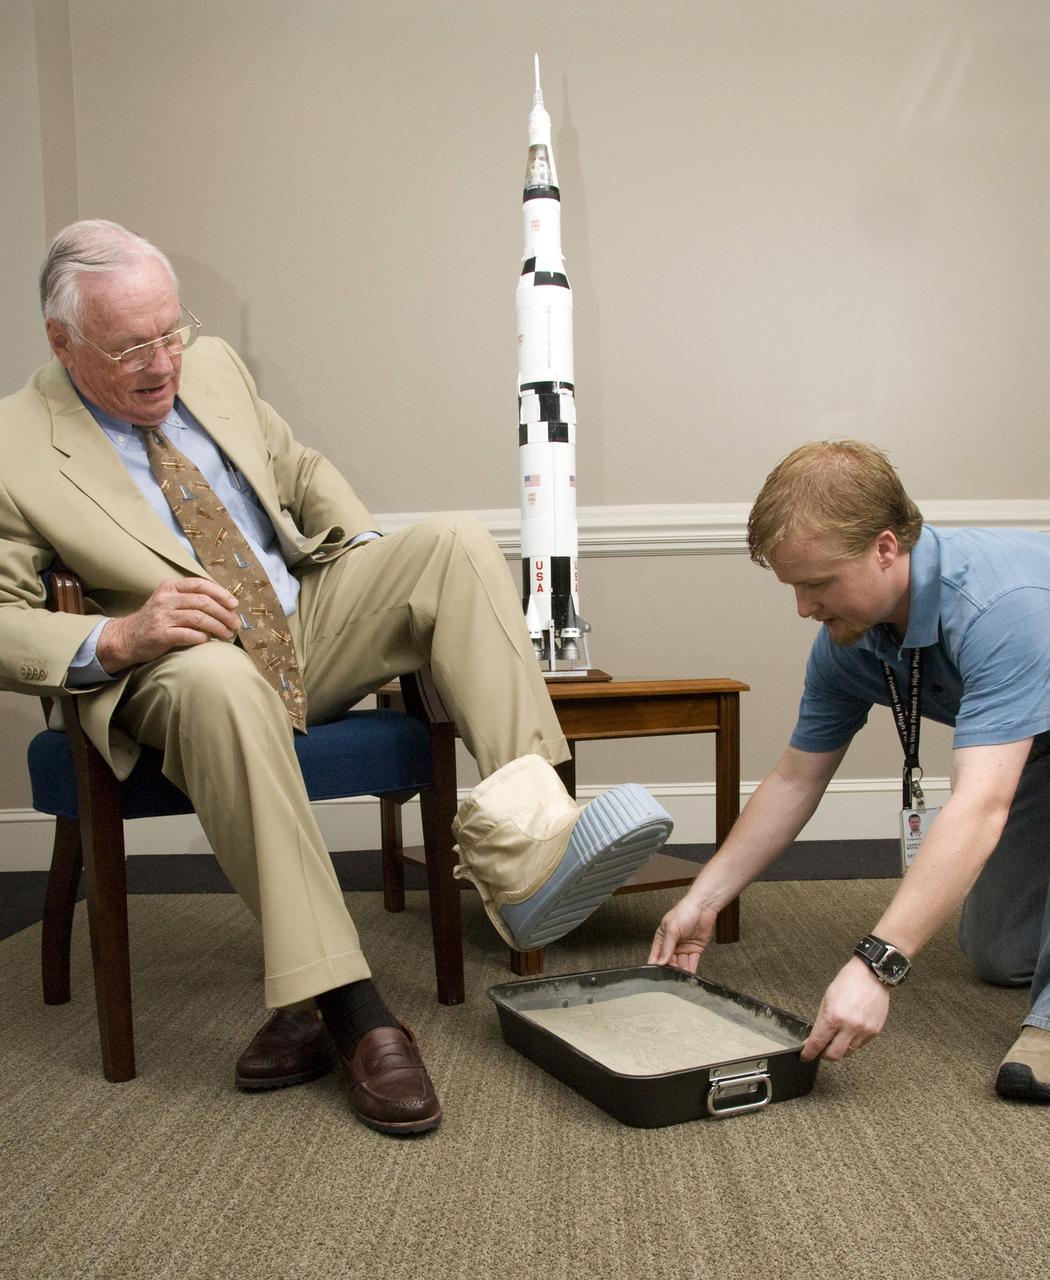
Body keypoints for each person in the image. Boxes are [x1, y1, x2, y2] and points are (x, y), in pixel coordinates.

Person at [0, 220, 673, 1135]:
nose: (164, 364)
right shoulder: (15, 445)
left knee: (453, 544)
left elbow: (299, 471)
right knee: (221, 683)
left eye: (172, 332)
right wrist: (120, 635)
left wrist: (360, 557)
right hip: (176, 669)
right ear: (61, 340)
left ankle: (529, 854)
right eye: (132, 348)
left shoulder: (215, 367)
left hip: (300, 625)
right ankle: (350, 1008)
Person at [649, 440, 1050, 1105]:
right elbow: (795, 780)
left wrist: (877, 966)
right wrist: (706, 896)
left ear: (886, 548)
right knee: (1000, 956)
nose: (803, 607)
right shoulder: (849, 640)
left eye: (817, 583)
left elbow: (980, 807)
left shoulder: (1001, 608)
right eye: (793, 586)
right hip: (1039, 743)